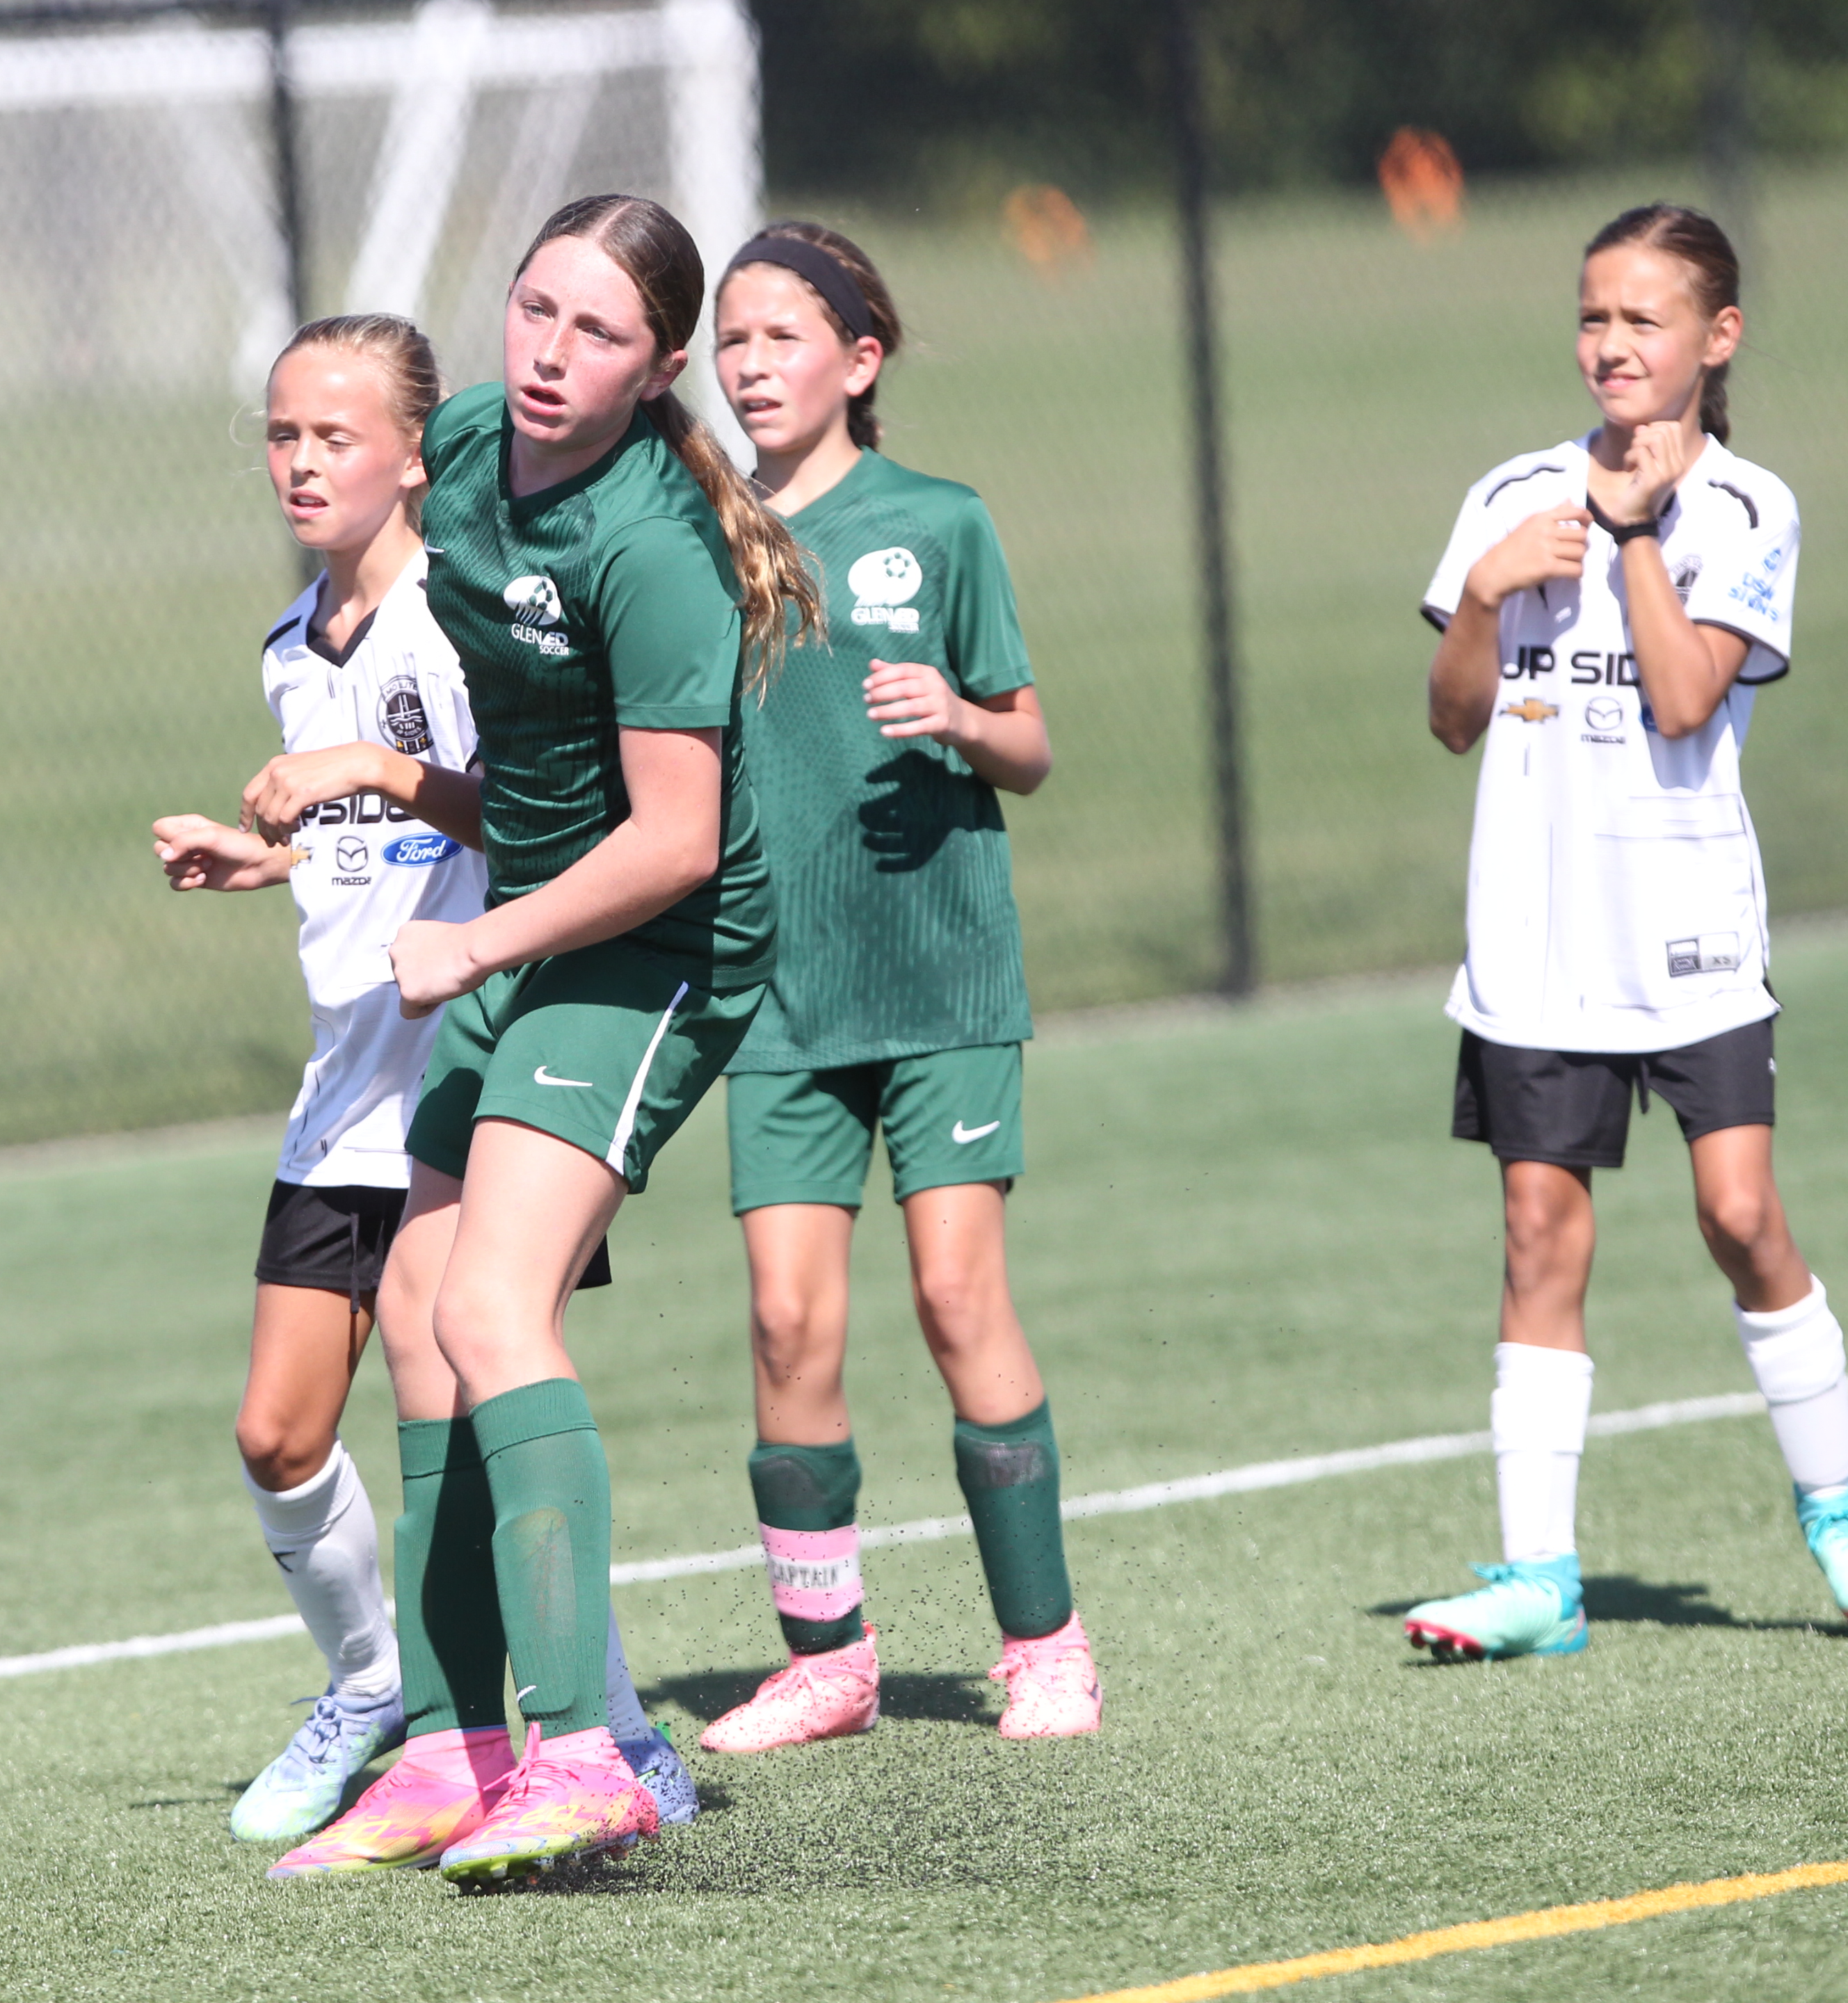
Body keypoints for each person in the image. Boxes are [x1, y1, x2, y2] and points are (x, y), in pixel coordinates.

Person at [271, 193, 819, 1888]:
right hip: (526, 924)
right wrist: (343, 798)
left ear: (661, 368)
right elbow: (453, 715)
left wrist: (477, 941)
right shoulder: (461, 449)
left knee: (495, 1309)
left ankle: (597, 1757)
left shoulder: (651, 550)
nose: (551, 352)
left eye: (598, 331)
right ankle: (459, 1749)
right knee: (419, 1317)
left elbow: (673, 840)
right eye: (534, 309)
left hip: (655, 949)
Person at [150, 313, 681, 1844]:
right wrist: (265, 856)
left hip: (474, 1071)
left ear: (413, 457)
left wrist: (374, 772)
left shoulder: (464, 621)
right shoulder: (288, 647)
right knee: (276, 1434)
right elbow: (368, 845)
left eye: (336, 435)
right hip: (343, 1092)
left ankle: (609, 1727)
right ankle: (374, 1687)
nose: (302, 461)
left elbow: (528, 820)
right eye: (281, 434)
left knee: (477, 1405)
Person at [1402, 202, 1848, 1662]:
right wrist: (1485, 593)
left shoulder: (1750, 509)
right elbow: (1453, 720)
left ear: (1717, 337)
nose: (1613, 344)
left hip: (1686, 926)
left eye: (1645, 318)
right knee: (1535, 1235)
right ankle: (1538, 1581)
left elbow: (1688, 699)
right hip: (1533, 937)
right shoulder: (1512, 491)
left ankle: (1839, 1508)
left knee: (1739, 1217)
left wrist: (1630, 534)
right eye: (1595, 316)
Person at [691, 222, 1099, 1755]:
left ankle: (1045, 1647)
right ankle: (828, 1662)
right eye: (732, 340)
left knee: (953, 1292)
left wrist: (960, 719)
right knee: (786, 1322)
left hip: (939, 977)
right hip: (777, 994)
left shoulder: (939, 523)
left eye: (782, 337)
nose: (751, 365)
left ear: (860, 362)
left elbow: (1031, 746)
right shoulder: (697, 539)